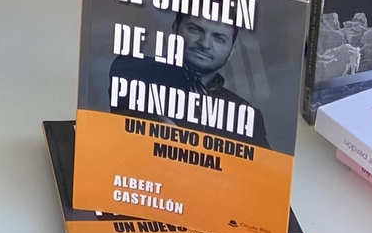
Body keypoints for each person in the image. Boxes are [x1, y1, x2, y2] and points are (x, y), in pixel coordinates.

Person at [101, 9, 270, 149]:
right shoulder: (134, 69)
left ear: (232, 49)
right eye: (195, 29)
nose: (204, 44)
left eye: (219, 38)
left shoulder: (249, 116)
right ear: (175, 28)